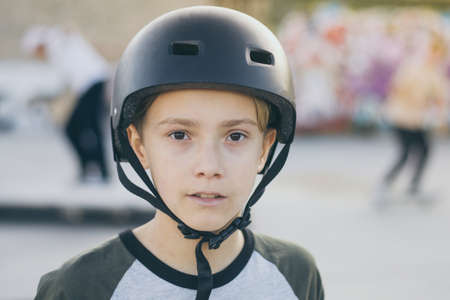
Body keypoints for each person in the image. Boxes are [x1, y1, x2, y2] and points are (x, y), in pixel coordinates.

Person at [34, 6, 324, 300]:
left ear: (264, 148)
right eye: (179, 135)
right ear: (138, 146)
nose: (209, 167)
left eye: (236, 136)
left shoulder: (297, 275)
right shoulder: (78, 287)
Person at [22, 25, 111, 183]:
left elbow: (66, 34)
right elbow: (65, 84)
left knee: (78, 128)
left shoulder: (57, 44)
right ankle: (94, 171)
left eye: (36, 51)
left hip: (93, 84)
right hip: (89, 86)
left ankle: (96, 171)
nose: (38, 56)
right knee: (81, 128)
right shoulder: (56, 50)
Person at [376, 31, 448, 204]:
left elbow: (440, 96)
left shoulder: (433, 71)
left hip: (416, 119)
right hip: (402, 116)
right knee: (406, 153)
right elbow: (398, 88)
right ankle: (385, 184)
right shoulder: (413, 66)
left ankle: (412, 186)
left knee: (423, 150)